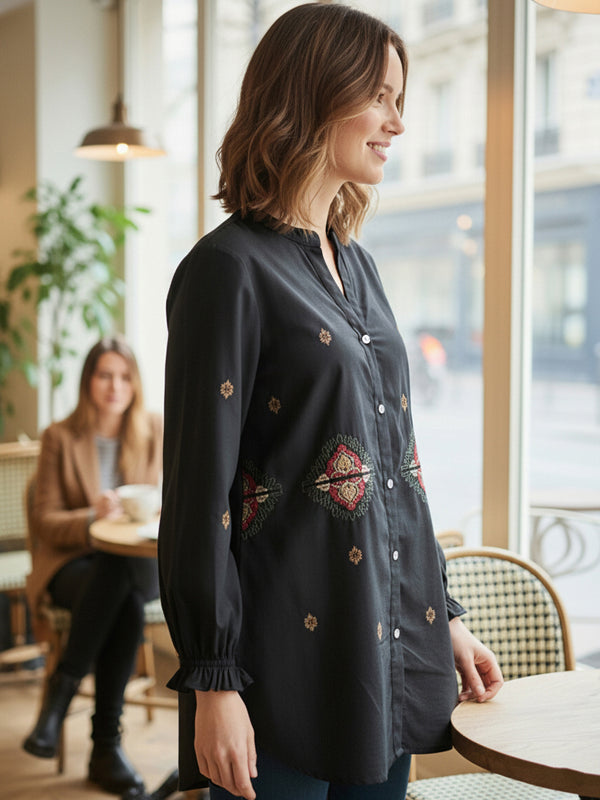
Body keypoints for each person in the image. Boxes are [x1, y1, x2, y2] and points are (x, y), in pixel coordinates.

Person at [158, 5, 503, 800]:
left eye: (400, 99)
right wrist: (213, 681)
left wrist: (443, 616)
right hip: (281, 669)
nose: (398, 121)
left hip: (385, 660)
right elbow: (196, 495)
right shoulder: (227, 271)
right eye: (381, 96)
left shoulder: (363, 269)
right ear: (315, 92)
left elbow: (399, 474)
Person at [23, 336, 162, 795]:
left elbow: (170, 500)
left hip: (138, 562)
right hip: (73, 565)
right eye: (104, 375)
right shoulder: (59, 437)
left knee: (119, 573)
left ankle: (60, 695)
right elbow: (44, 522)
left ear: (136, 383)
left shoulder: (154, 431)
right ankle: (106, 748)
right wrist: (91, 517)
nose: (114, 386)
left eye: (124, 376)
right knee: (117, 589)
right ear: (88, 382)